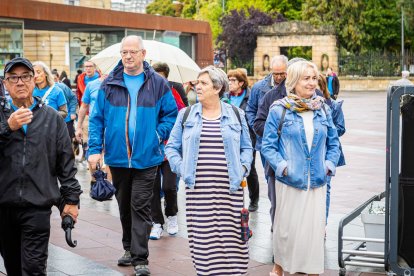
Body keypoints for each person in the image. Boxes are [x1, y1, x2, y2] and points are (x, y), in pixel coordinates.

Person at [87, 35, 178, 276]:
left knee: (140, 206)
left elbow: (171, 114)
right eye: (124, 52)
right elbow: (96, 119)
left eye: (133, 52)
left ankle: (140, 258)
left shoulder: (158, 83)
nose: (128, 56)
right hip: (117, 157)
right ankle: (128, 248)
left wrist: (157, 136)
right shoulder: (108, 84)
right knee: (124, 205)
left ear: (143, 54)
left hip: (147, 158)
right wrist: (94, 150)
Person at [165, 65, 253, 275]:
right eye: (197, 82)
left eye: (203, 83)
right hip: (198, 190)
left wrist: (242, 168)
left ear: (217, 87)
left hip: (230, 188)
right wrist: (182, 168)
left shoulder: (236, 114)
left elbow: (247, 147)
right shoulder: (186, 114)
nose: (197, 86)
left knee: (232, 238)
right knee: (203, 238)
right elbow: (171, 147)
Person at [0, 57, 82, 276]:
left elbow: (66, 163)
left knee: (34, 268)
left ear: (34, 81)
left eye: (25, 76)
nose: (20, 82)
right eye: (13, 78)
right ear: (5, 84)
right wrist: (8, 127)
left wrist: (72, 200)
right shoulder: (2, 117)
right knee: (13, 267)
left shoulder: (52, 118)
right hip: (4, 205)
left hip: (37, 206)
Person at [261, 60, 340, 276]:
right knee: (287, 230)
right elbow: (267, 145)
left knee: (312, 232)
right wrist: (283, 166)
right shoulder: (279, 109)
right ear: (294, 81)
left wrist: (329, 165)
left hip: (317, 181)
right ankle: (280, 266)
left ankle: (311, 270)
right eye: (306, 78)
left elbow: (334, 143)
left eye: (314, 78)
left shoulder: (323, 108)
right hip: (290, 181)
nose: (312, 82)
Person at [150, 62, 184, 240]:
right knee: (152, 188)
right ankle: (156, 222)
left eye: (161, 77)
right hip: (150, 148)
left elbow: (180, 116)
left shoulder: (173, 93)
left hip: (170, 148)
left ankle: (171, 215)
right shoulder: (145, 94)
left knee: (169, 186)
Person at [223, 68, 260, 212]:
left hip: (248, 138)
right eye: (229, 80)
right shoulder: (225, 96)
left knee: (249, 168)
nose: (230, 83)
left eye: (233, 80)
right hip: (230, 138)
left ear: (241, 83)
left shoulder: (250, 96)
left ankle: (254, 199)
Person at [246, 55, 288, 168]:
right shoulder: (258, 88)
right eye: (275, 74)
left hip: (287, 140)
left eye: (282, 74)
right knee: (270, 177)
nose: (279, 77)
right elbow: (250, 110)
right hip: (265, 140)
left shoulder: (292, 87)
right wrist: (258, 128)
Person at [318, 73, 346, 222]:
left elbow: (341, 128)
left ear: (322, 87)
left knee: (326, 188)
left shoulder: (333, 105)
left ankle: (323, 223)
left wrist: (328, 129)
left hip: (327, 152)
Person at [52, 70, 78, 142]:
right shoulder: (43, 89)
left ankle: (74, 143)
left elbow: (73, 98)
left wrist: (72, 112)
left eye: (55, 79)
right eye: (51, 79)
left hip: (66, 119)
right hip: (52, 121)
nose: (53, 81)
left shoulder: (62, 87)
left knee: (67, 141)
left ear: (58, 78)